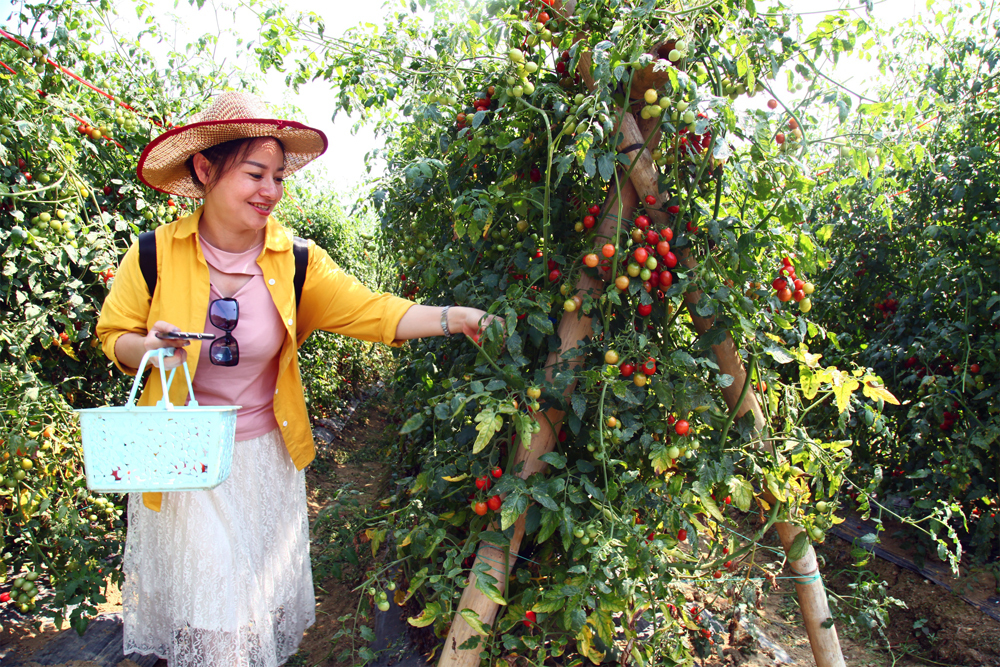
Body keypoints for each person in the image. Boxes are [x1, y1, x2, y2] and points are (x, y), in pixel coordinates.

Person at [95, 92, 498, 667]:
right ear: (206, 170)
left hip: (263, 461)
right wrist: (150, 347)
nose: (271, 191)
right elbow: (115, 336)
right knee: (220, 624)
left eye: (278, 176)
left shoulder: (297, 262)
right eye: (255, 173)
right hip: (182, 461)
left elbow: (374, 311)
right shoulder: (155, 254)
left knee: (243, 612)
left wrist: (455, 318)